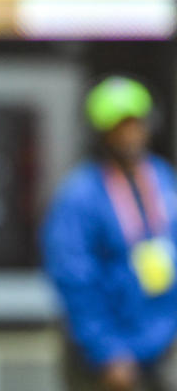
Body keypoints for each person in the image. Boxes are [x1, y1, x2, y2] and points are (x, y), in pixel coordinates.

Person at [42, 76, 177, 391]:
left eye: (134, 123)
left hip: (160, 344)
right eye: (118, 126)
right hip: (109, 356)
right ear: (101, 133)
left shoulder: (161, 178)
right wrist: (107, 350)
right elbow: (75, 280)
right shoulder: (80, 195)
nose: (129, 134)